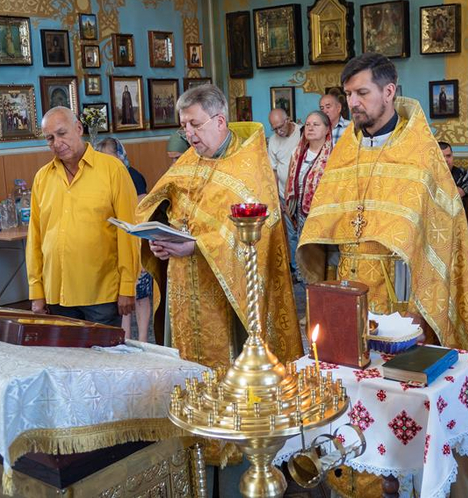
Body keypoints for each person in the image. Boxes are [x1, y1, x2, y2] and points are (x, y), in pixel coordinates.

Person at [297, 53, 468, 496]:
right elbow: (326, 215)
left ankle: (413, 481)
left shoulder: (419, 151)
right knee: (351, 396)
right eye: (348, 94)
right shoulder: (345, 146)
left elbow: (442, 230)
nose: (353, 104)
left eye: (362, 93)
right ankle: (359, 483)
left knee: (402, 403)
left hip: (403, 297)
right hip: (346, 288)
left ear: (390, 92)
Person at [136, 84, 302, 371]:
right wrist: (158, 239)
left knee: (228, 371)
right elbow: (162, 204)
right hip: (182, 282)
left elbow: (260, 231)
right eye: (183, 126)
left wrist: (198, 244)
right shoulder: (189, 158)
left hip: (227, 288)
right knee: (186, 371)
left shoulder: (248, 164)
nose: (189, 134)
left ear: (220, 121)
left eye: (195, 124)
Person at [26, 107, 139, 326]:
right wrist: (36, 291)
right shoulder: (42, 178)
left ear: (78, 128)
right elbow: (36, 238)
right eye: (50, 138)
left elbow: (128, 232)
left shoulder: (112, 170)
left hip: (101, 293)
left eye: (62, 133)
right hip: (57, 294)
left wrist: (127, 285)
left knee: (106, 359)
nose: (57, 143)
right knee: (66, 359)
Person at [95, 137, 152, 343]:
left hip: (134, 238)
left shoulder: (133, 177)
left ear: (120, 156)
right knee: (121, 296)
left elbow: (141, 212)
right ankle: (125, 338)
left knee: (141, 292)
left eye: (110, 158)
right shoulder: (99, 178)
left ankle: (144, 338)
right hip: (111, 241)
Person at [285, 111, 332, 264]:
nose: (310, 128)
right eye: (308, 124)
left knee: (321, 259)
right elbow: (289, 180)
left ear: (327, 129)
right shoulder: (298, 153)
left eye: (316, 124)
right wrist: (287, 204)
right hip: (300, 215)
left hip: (323, 216)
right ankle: (305, 286)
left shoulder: (334, 155)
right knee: (304, 257)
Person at [439, 141, 468, 252]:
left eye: (448, 156)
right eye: (441, 156)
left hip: (457, 220)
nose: (446, 160)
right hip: (433, 220)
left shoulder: (463, 174)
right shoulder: (427, 175)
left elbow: (455, 194)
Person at [267, 108, 302, 199]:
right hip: (283, 195)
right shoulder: (273, 141)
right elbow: (273, 170)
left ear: (288, 120)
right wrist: (276, 196)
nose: (279, 131)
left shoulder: (302, 133)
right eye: (275, 129)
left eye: (280, 126)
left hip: (302, 193)